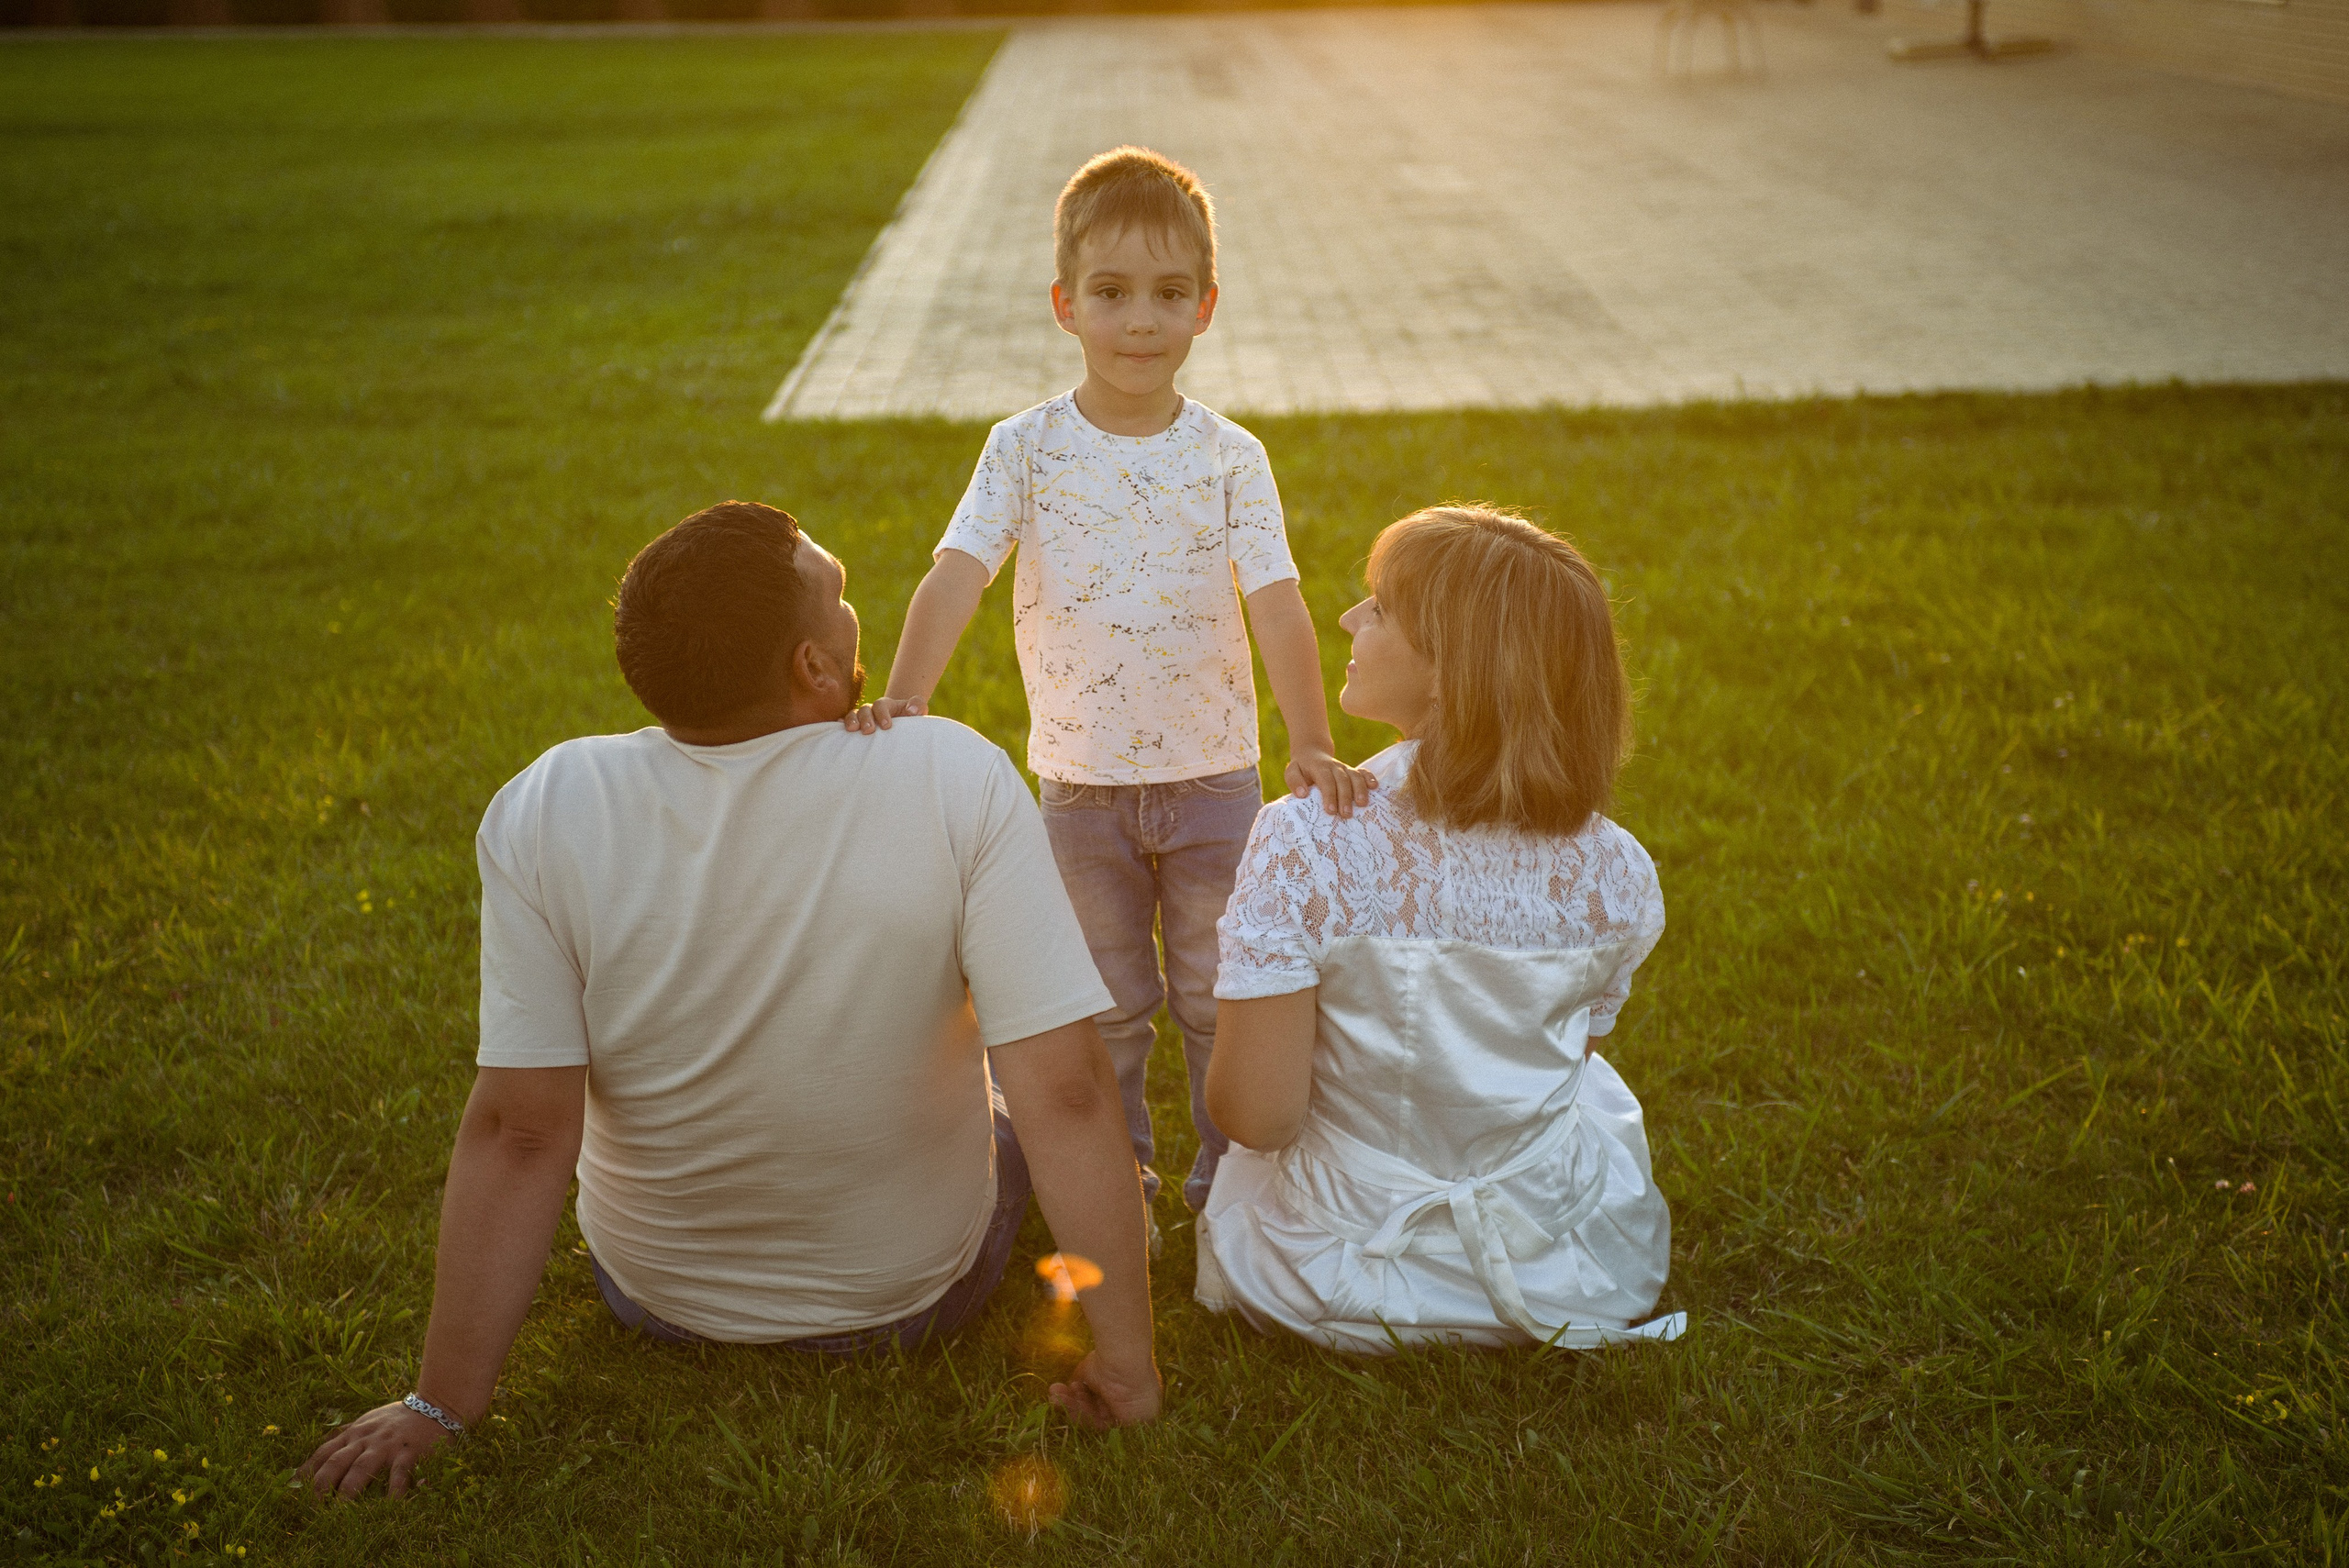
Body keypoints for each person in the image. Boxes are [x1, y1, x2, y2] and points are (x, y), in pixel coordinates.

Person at [298, 501, 1162, 1501]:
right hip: (910, 1296)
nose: (852, 614)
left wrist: (436, 1401)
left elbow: (520, 1131)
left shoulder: (548, 800)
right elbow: (1066, 1093)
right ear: (811, 666)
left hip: (657, 1294)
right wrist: (1128, 1367)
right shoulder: (949, 772)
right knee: (1021, 1107)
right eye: (837, 598)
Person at [847, 147, 1374, 1221]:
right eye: (1113, 294)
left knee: (1221, 994)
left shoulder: (1229, 457)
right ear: (1064, 305)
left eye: (1169, 295)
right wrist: (904, 698)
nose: (1141, 321)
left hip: (1215, 778)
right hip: (1080, 789)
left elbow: (1275, 599)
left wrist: (1308, 736)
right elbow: (956, 575)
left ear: (1206, 308)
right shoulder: (1023, 449)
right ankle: (1118, 1170)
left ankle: (1231, 1172)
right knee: (1107, 998)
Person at [1196, 506, 1688, 1353]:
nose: (1349, 618)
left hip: (1335, 1266)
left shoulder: (1308, 840)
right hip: (1557, 1265)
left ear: (1449, 671)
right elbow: (1567, 1063)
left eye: (1379, 607)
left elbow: (1258, 1116)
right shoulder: (1617, 874)